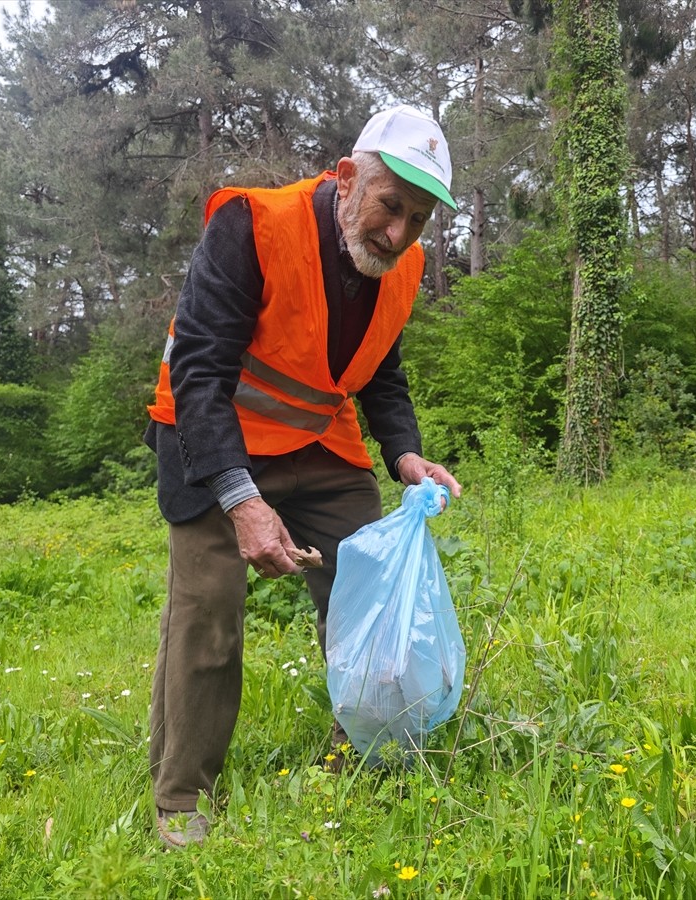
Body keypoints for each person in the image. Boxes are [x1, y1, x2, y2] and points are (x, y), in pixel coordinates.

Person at [143, 105, 461, 848]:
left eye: (417, 219)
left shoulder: (400, 264)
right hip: (210, 435)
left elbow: (381, 368)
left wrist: (405, 454)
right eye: (390, 207)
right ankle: (183, 795)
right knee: (209, 613)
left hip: (319, 442)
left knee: (369, 586)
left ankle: (365, 750)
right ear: (348, 177)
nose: (398, 233)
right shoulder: (253, 226)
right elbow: (198, 375)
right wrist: (241, 499)